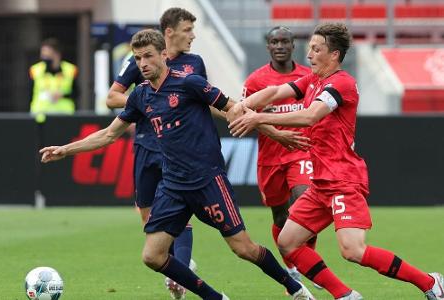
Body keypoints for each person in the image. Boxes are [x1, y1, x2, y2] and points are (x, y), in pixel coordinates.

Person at [40, 28, 315, 300]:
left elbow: (233, 107)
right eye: (137, 59)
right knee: (152, 256)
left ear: (163, 54)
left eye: (148, 56)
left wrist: (272, 130)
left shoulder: (190, 83)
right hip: (173, 185)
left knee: (244, 249)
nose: (143, 64)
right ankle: (214, 297)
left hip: (208, 180)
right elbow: (109, 134)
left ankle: (294, 288)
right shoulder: (140, 96)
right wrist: (66, 149)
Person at [227, 22, 444, 300]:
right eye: (310, 49)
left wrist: (259, 117)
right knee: (288, 242)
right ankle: (344, 295)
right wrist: (243, 105)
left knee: (352, 251)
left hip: (343, 180)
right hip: (320, 183)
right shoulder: (313, 80)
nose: (309, 55)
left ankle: (429, 282)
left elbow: (310, 116)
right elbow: (274, 92)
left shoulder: (342, 83)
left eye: (317, 49)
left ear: (334, 55)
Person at [106, 8, 207, 298]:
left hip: (176, 150)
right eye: (188, 29)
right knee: (149, 220)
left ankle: (182, 274)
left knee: (180, 212)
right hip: (145, 146)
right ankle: (177, 265)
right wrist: (147, 102)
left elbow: (200, 100)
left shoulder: (194, 63)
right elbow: (111, 96)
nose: (192, 35)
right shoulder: (140, 59)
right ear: (170, 32)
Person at [243, 26, 318, 283]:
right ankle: (293, 266)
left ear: (293, 44)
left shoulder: (309, 76)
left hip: (301, 152)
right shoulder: (255, 81)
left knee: (305, 202)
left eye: (284, 41)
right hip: (271, 156)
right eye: (274, 42)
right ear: (268, 46)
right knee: (280, 216)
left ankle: (310, 264)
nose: (280, 46)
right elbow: (244, 114)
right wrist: (275, 132)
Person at [29, 38, 78, 123]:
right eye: (43, 55)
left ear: (57, 55)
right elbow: (29, 93)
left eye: (47, 55)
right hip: (40, 117)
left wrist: (62, 95)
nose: (44, 58)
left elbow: (76, 92)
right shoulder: (35, 70)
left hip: (64, 115)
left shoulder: (70, 70)